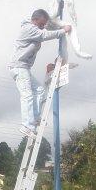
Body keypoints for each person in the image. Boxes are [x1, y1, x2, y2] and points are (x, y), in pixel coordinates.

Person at [8, 9, 72, 137]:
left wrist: (57, 23)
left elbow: (46, 29)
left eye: (44, 25)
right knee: (27, 95)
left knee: (39, 91)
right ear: (35, 20)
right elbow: (44, 35)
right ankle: (27, 126)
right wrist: (63, 30)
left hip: (24, 68)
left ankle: (35, 118)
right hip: (19, 67)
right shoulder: (29, 29)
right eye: (41, 24)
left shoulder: (35, 27)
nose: (43, 27)